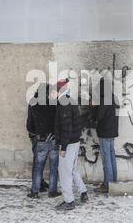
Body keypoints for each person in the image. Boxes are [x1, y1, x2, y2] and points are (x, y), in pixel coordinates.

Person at [52, 79, 88, 210]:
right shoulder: (70, 100)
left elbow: (66, 127)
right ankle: (83, 192)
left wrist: (64, 147)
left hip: (68, 143)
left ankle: (69, 201)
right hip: (74, 141)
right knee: (73, 170)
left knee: (64, 173)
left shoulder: (64, 103)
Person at [26, 83, 60, 199]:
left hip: (40, 138)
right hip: (54, 138)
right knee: (54, 166)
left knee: (38, 166)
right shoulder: (53, 102)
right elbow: (58, 121)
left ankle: (35, 191)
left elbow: (30, 123)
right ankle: (52, 191)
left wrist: (35, 134)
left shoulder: (33, 102)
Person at [94, 78, 119, 194]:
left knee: (106, 159)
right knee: (112, 157)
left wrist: (94, 107)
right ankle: (113, 182)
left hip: (104, 132)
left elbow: (99, 116)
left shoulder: (104, 100)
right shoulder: (112, 98)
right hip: (112, 132)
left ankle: (107, 185)